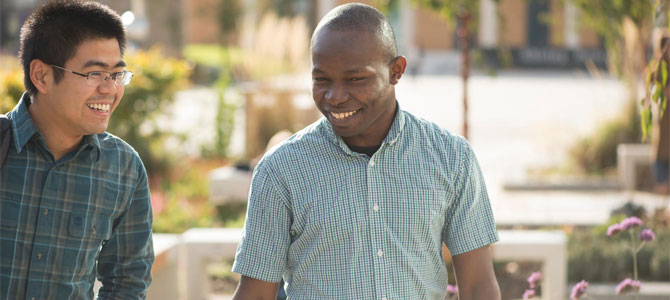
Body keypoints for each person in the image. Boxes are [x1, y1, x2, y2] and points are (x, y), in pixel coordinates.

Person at [232, 3, 500, 300]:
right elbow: (255, 293)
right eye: (321, 80)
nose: (335, 96)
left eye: (355, 79)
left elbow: (478, 287)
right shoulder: (280, 169)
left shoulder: (452, 158)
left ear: (396, 71)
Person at [0, 1, 154, 299]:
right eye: (95, 73)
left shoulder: (124, 167)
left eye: (117, 74)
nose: (110, 89)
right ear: (41, 76)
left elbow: (127, 284)